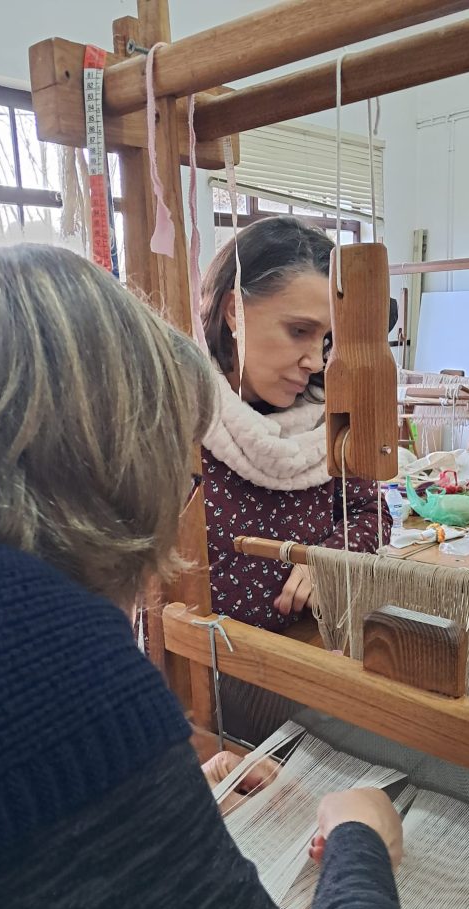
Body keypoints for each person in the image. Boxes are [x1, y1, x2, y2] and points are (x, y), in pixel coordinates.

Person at [0, 245, 414, 909]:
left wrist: (142, 805)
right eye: (176, 473)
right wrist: (360, 837)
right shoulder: (17, 652)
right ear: (107, 466)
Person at [201, 217, 392, 742]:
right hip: (203, 686)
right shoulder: (179, 418)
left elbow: (370, 511)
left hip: (305, 663)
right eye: (299, 331)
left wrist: (325, 559)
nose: (314, 360)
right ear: (233, 311)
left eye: (327, 339)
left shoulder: (329, 420)